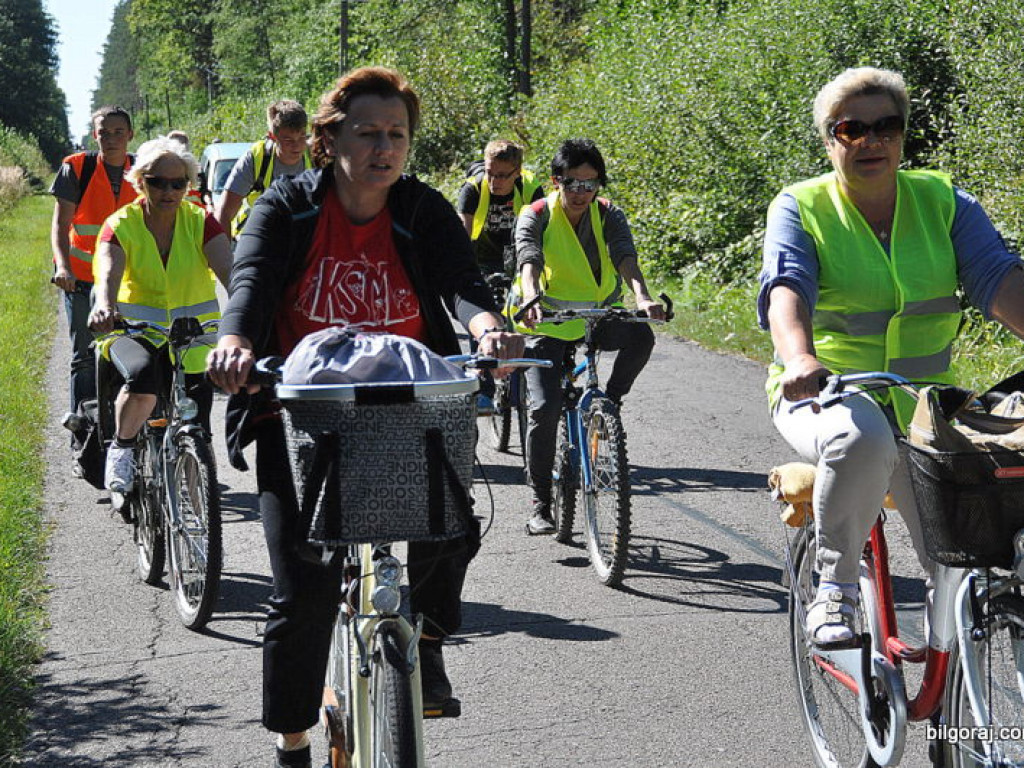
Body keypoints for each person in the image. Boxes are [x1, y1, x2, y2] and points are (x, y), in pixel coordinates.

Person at [205, 66, 524, 768]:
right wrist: (235, 342)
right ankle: (292, 742)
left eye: (398, 135)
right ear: (328, 139)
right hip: (302, 415)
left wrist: (487, 330)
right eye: (369, 133)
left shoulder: (422, 209)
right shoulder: (285, 208)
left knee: (452, 528)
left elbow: (463, 285)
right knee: (305, 588)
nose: (385, 147)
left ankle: (429, 645)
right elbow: (251, 283)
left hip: (405, 409)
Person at [759, 67, 1024, 648]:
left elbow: (996, 276)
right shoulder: (801, 207)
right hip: (826, 392)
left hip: (926, 404)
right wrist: (800, 356)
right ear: (829, 139)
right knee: (863, 441)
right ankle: (837, 588)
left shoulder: (943, 202)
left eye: (887, 126)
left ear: (903, 136)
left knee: (964, 556)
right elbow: (787, 289)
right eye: (851, 128)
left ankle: (953, 701)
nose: (871, 140)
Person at [513, 138, 665, 535]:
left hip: (596, 316)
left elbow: (624, 256)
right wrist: (531, 298)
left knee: (641, 337)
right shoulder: (536, 214)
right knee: (544, 409)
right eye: (573, 183)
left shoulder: (608, 214)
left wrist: (643, 297)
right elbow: (529, 257)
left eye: (591, 183)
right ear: (555, 180)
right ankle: (540, 502)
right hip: (545, 322)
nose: (582, 192)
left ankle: (609, 406)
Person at [88, 136, 232, 504]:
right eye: (157, 182)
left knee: (196, 427)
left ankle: (199, 511)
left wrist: (252, 316)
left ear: (189, 184)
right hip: (133, 333)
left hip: (193, 341)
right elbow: (107, 273)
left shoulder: (202, 222)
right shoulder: (121, 224)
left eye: (178, 183)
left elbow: (233, 275)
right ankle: (121, 449)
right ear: (140, 181)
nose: (168, 190)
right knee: (142, 381)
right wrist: (104, 305)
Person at [50, 105, 139, 452]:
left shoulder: (142, 171)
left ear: (130, 135)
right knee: (84, 357)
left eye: (119, 132)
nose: (112, 138)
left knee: (134, 352)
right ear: (94, 134)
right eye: (104, 131)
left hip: (130, 282)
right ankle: (83, 439)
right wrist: (63, 268)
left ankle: (132, 434)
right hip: (82, 279)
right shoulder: (78, 168)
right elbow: (60, 227)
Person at [457, 139, 544, 414]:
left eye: (502, 175)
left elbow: (544, 235)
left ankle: (522, 381)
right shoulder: (473, 189)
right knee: (483, 315)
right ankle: (483, 387)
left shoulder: (531, 189)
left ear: (517, 172)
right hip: (480, 258)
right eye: (490, 172)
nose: (494, 181)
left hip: (517, 256)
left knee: (522, 312)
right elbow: (460, 238)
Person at [213, 99, 312, 238]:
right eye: (288, 140)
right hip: (256, 235)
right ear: (272, 136)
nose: (297, 146)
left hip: (297, 238)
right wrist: (225, 256)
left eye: (302, 136)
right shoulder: (256, 158)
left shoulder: (314, 156)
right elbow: (224, 212)